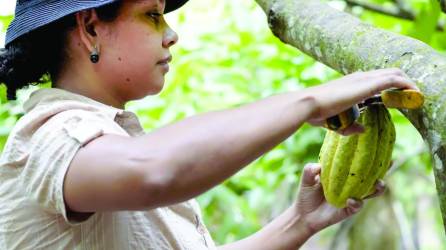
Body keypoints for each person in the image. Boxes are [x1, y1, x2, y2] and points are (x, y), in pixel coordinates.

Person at [0, 0, 419, 249]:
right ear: (90, 28)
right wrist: (309, 101)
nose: (171, 34)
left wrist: (300, 222)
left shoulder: (109, 141)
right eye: (152, 15)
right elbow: (151, 171)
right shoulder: (48, 133)